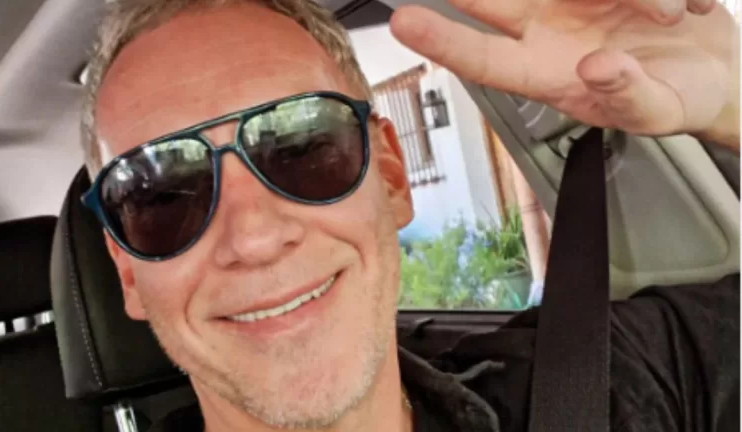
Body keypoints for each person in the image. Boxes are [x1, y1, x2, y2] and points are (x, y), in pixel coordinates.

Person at [80, 0, 739, 430]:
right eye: (162, 197)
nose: (254, 236)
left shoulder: (613, 383)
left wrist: (733, 105)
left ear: (391, 178)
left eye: (303, 148)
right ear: (127, 273)